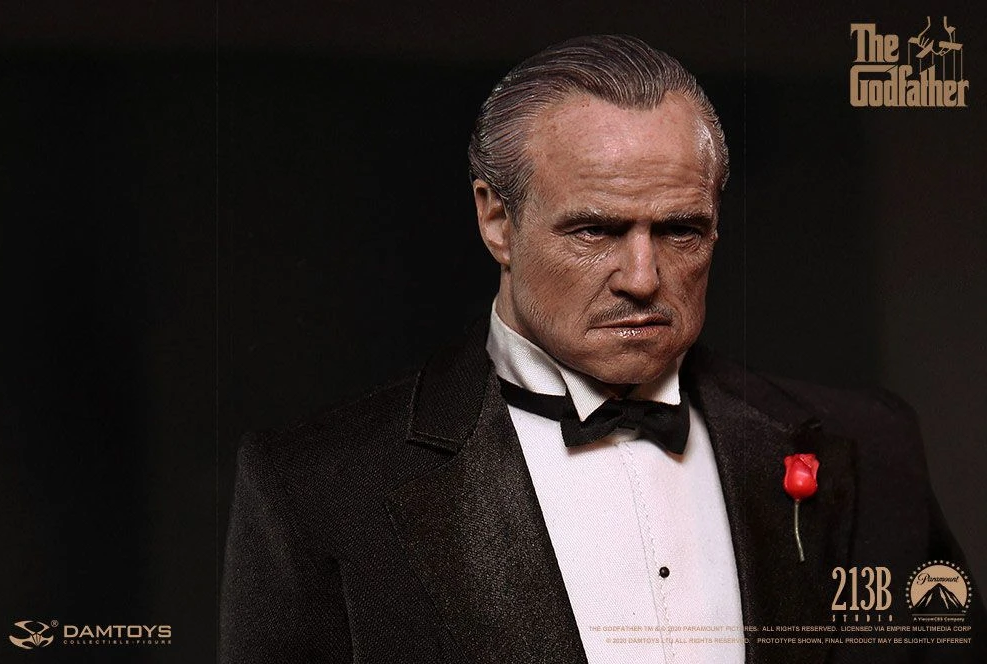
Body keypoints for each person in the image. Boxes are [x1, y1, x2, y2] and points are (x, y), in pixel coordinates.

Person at [220, 35, 983, 663]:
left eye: (680, 230)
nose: (643, 278)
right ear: (496, 220)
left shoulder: (871, 446)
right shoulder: (319, 485)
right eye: (596, 230)